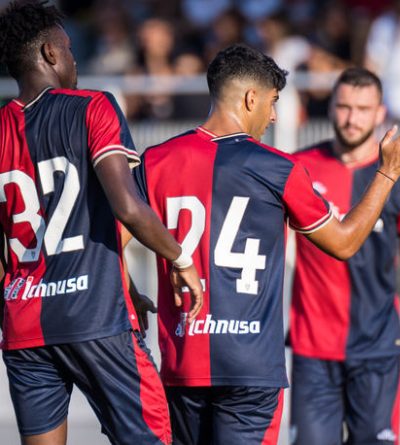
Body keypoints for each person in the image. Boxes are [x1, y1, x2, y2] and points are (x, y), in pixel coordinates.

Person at [132, 45, 400, 444]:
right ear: (250, 99)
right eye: (273, 103)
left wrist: (133, 295)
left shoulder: (155, 160)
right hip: (253, 369)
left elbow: (109, 240)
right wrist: (389, 171)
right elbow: (343, 243)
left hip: (183, 360)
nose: (274, 116)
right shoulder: (281, 167)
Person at [0, 1, 204, 444]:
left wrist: (126, 282)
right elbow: (127, 207)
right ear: (51, 54)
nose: (74, 59)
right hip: (96, 317)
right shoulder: (93, 106)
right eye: (69, 49)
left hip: (24, 324)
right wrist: (181, 257)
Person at [288, 68, 400, 444]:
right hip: (312, 348)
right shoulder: (297, 168)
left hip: (378, 349)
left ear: (380, 112)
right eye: (343, 107)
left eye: (362, 109)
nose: (352, 118)